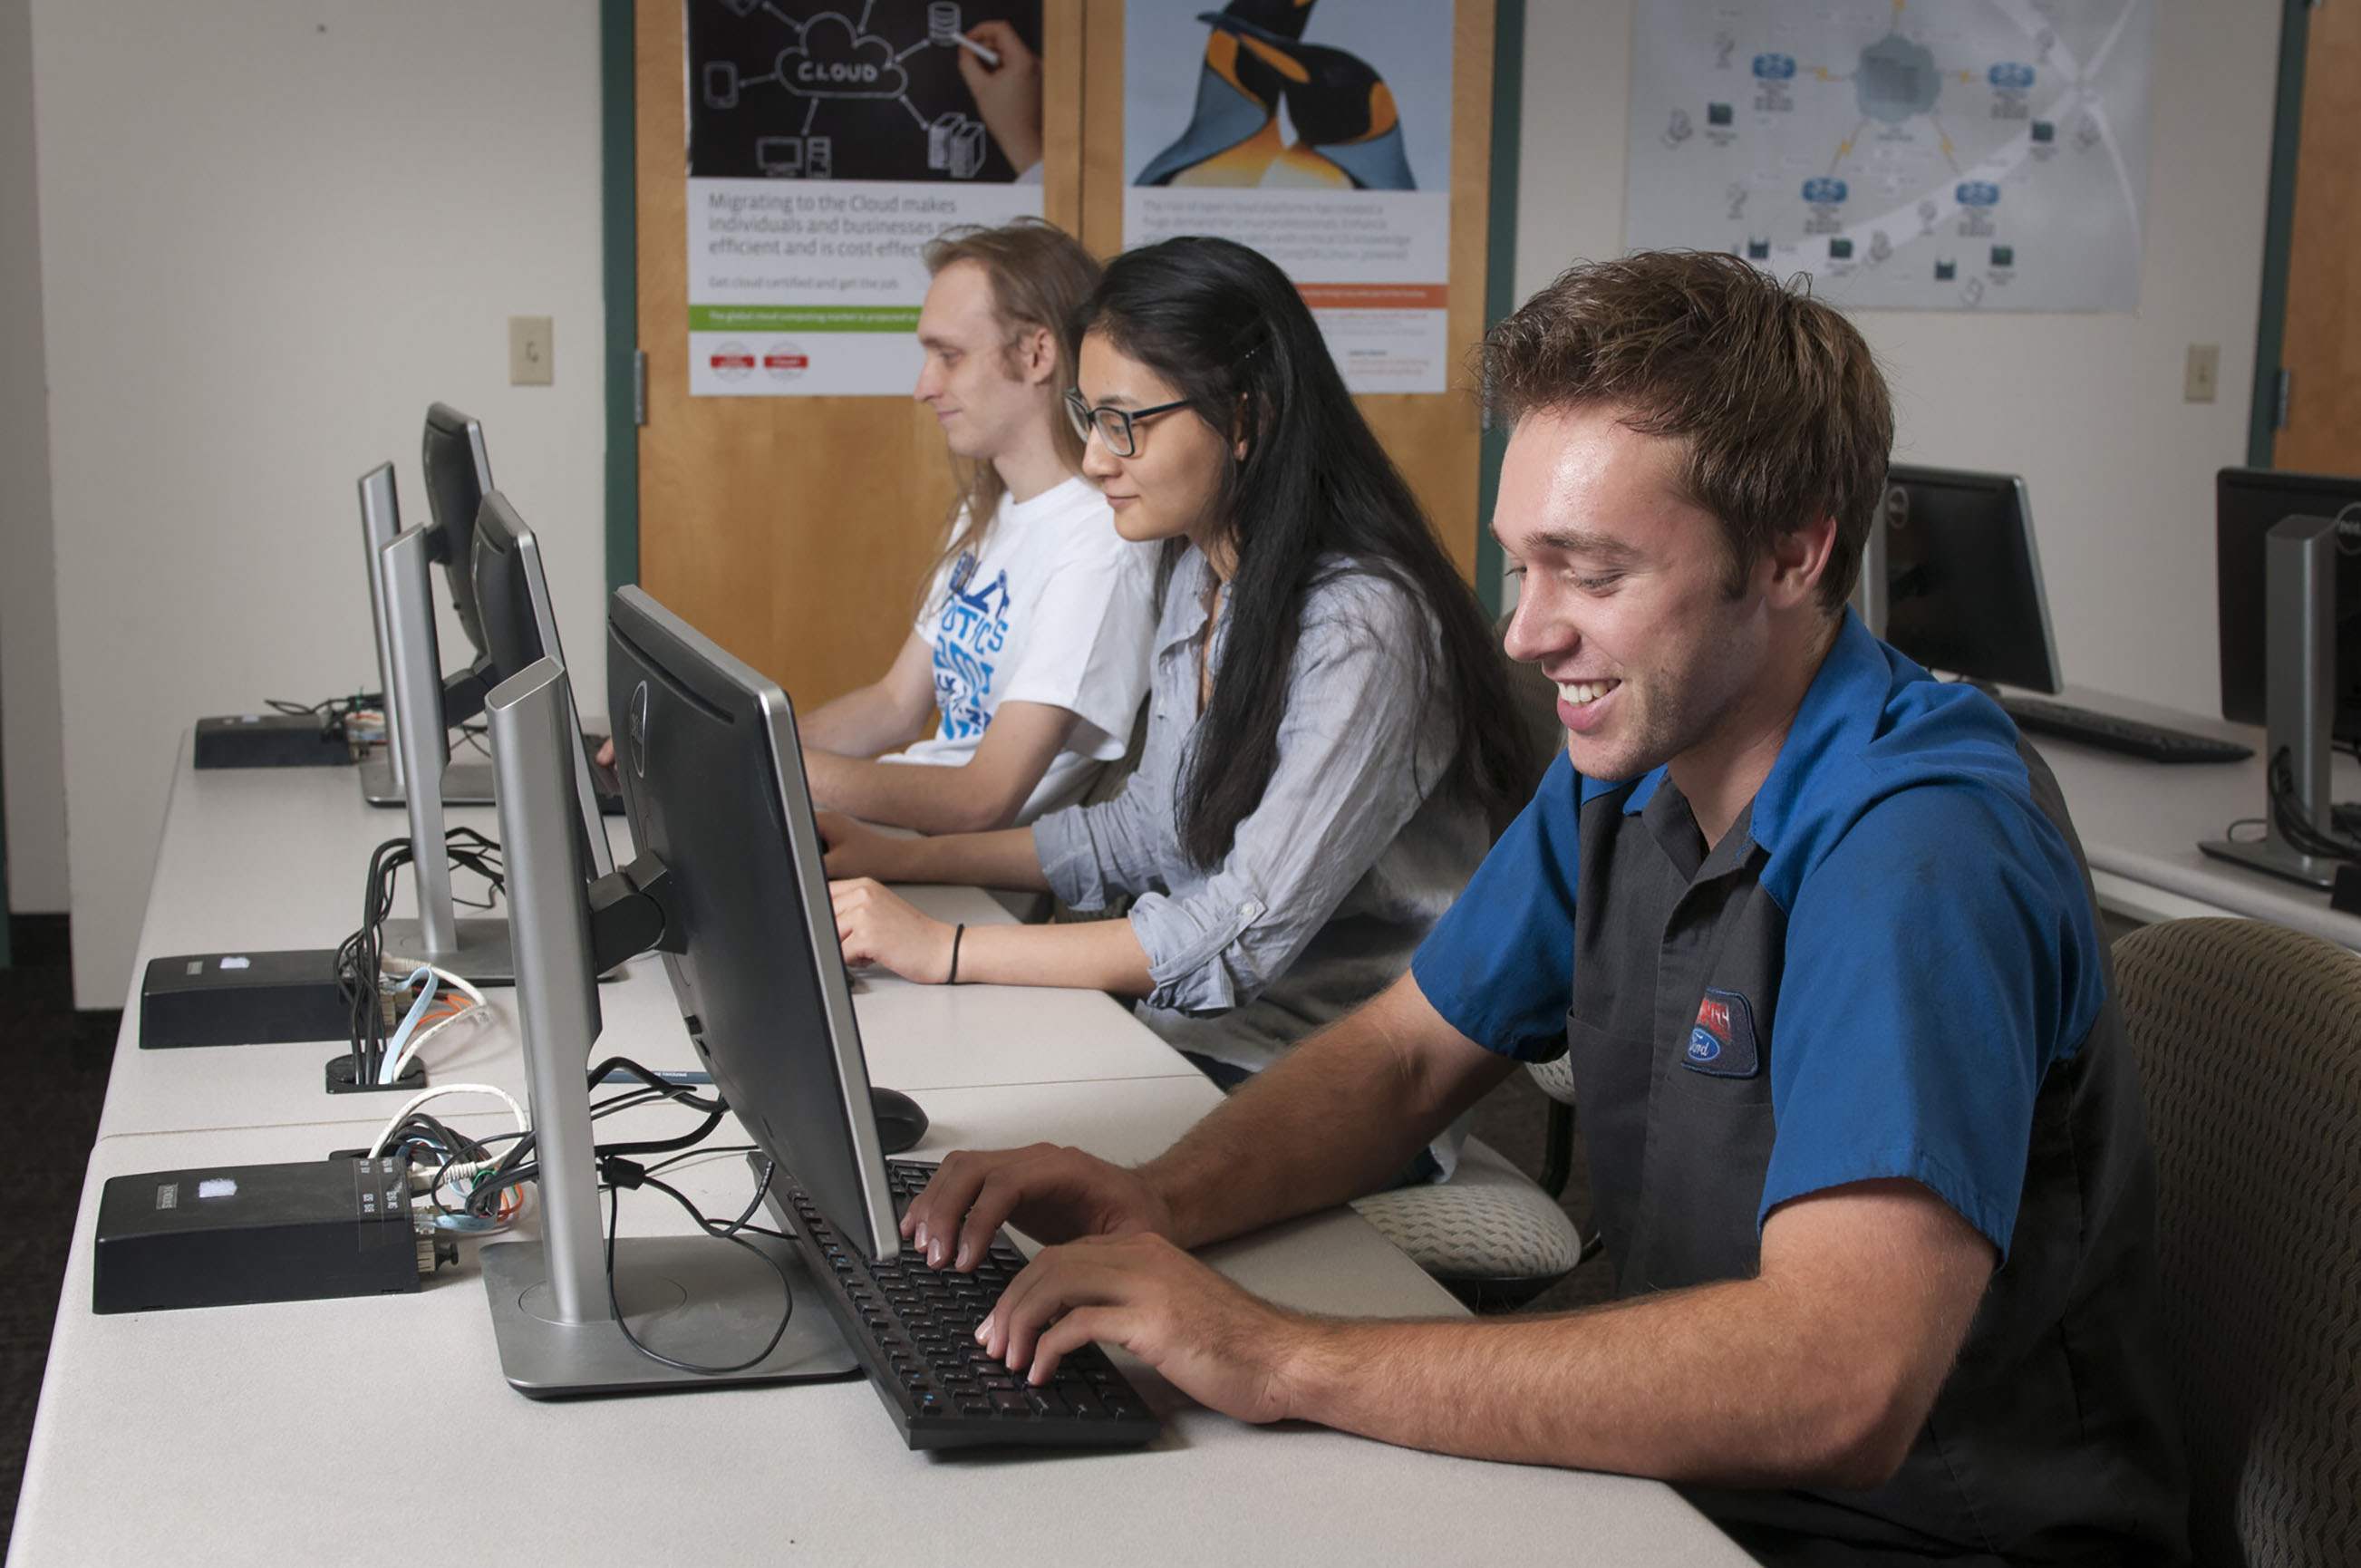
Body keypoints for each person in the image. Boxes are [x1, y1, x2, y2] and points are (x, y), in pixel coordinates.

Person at [895, 252, 2189, 1564]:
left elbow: (1837, 1378)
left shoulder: (1918, 845)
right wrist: (1155, 1202)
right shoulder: (1632, 776)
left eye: (1592, 572)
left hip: (1912, 1534)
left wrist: (1276, 1351)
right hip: (1691, 1486)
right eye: (1521, 565)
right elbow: (1406, 1054)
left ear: (1795, 549)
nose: (1524, 633)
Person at [822, 236, 1529, 1095]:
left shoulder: (1361, 624)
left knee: (956, 1126)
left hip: (1327, 1072)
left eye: (1124, 423)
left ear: (1244, 418)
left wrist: (946, 947)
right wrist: (901, 862)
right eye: (1088, 417)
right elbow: (1145, 832)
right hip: (1189, 1032)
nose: (1093, 460)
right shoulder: (1202, 569)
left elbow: (1238, 932)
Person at [796, 218, 1156, 832]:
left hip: (971, 871)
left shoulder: (1101, 542)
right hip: (911, 833)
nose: (922, 387)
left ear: (1036, 353)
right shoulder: (987, 512)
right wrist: (738, 746)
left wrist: (767, 768)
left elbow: (982, 797)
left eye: (949, 356)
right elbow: (894, 707)